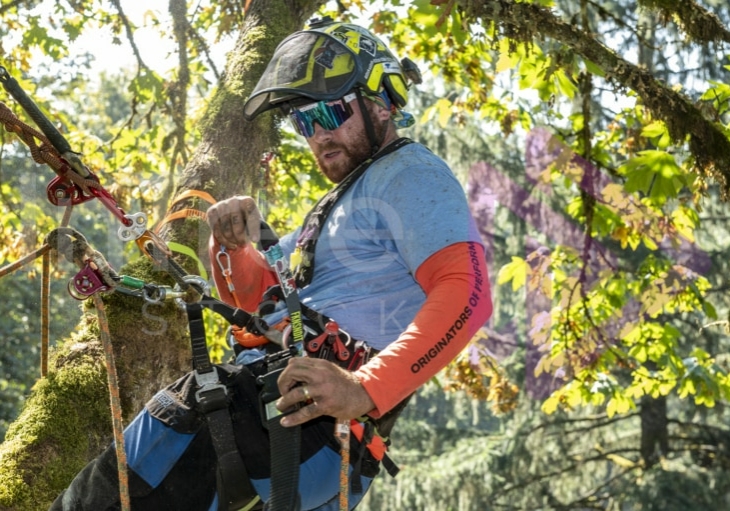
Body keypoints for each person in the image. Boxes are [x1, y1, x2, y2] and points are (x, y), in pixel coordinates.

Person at [50, 18, 492, 511]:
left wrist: (366, 387)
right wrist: (234, 248)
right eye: (305, 122)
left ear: (382, 102)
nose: (319, 135)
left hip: (289, 418)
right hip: (306, 434)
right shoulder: (347, 199)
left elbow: (466, 292)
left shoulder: (409, 173)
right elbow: (263, 312)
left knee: (93, 503)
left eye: (333, 113)